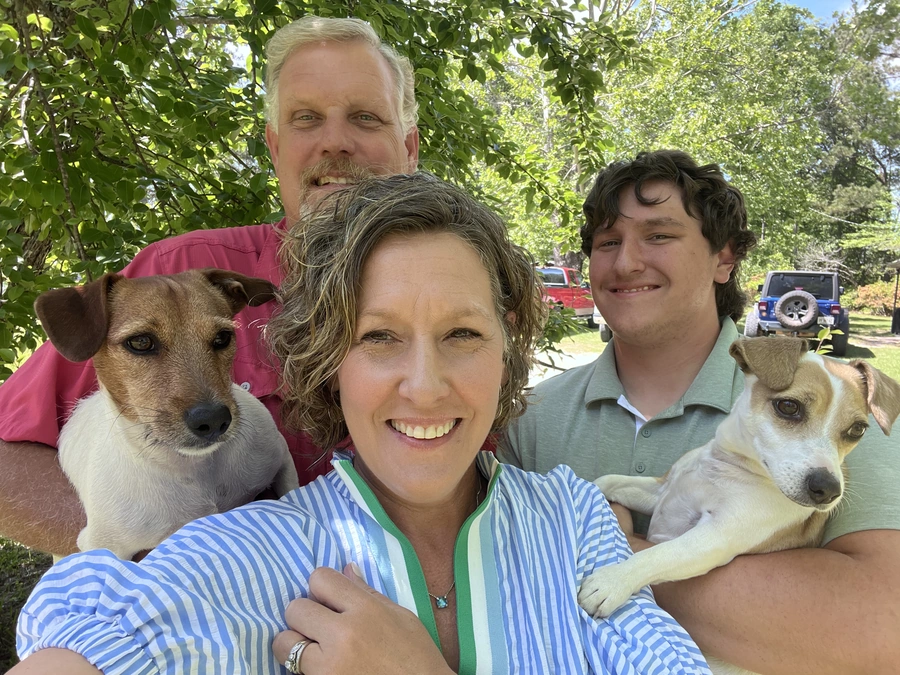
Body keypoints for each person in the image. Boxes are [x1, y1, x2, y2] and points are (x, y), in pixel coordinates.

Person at [13, 173, 712, 674]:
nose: (425, 385)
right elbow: (89, 636)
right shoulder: (242, 547)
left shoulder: (575, 518)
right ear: (328, 361)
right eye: (379, 336)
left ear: (507, 345)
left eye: (463, 333)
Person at [0, 15, 419, 556]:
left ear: (409, 146)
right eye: (306, 118)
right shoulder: (174, 274)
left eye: (365, 117)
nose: (335, 141)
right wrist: (144, 551)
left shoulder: (472, 289)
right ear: (275, 147)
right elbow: (7, 460)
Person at [498, 149, 900, 674]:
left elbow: (883, 634)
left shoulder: (841, 410)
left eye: (659, 236)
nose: (626, 262)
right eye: (607, 242)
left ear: (724, 258)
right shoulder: (529, 418)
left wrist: (617, 548)